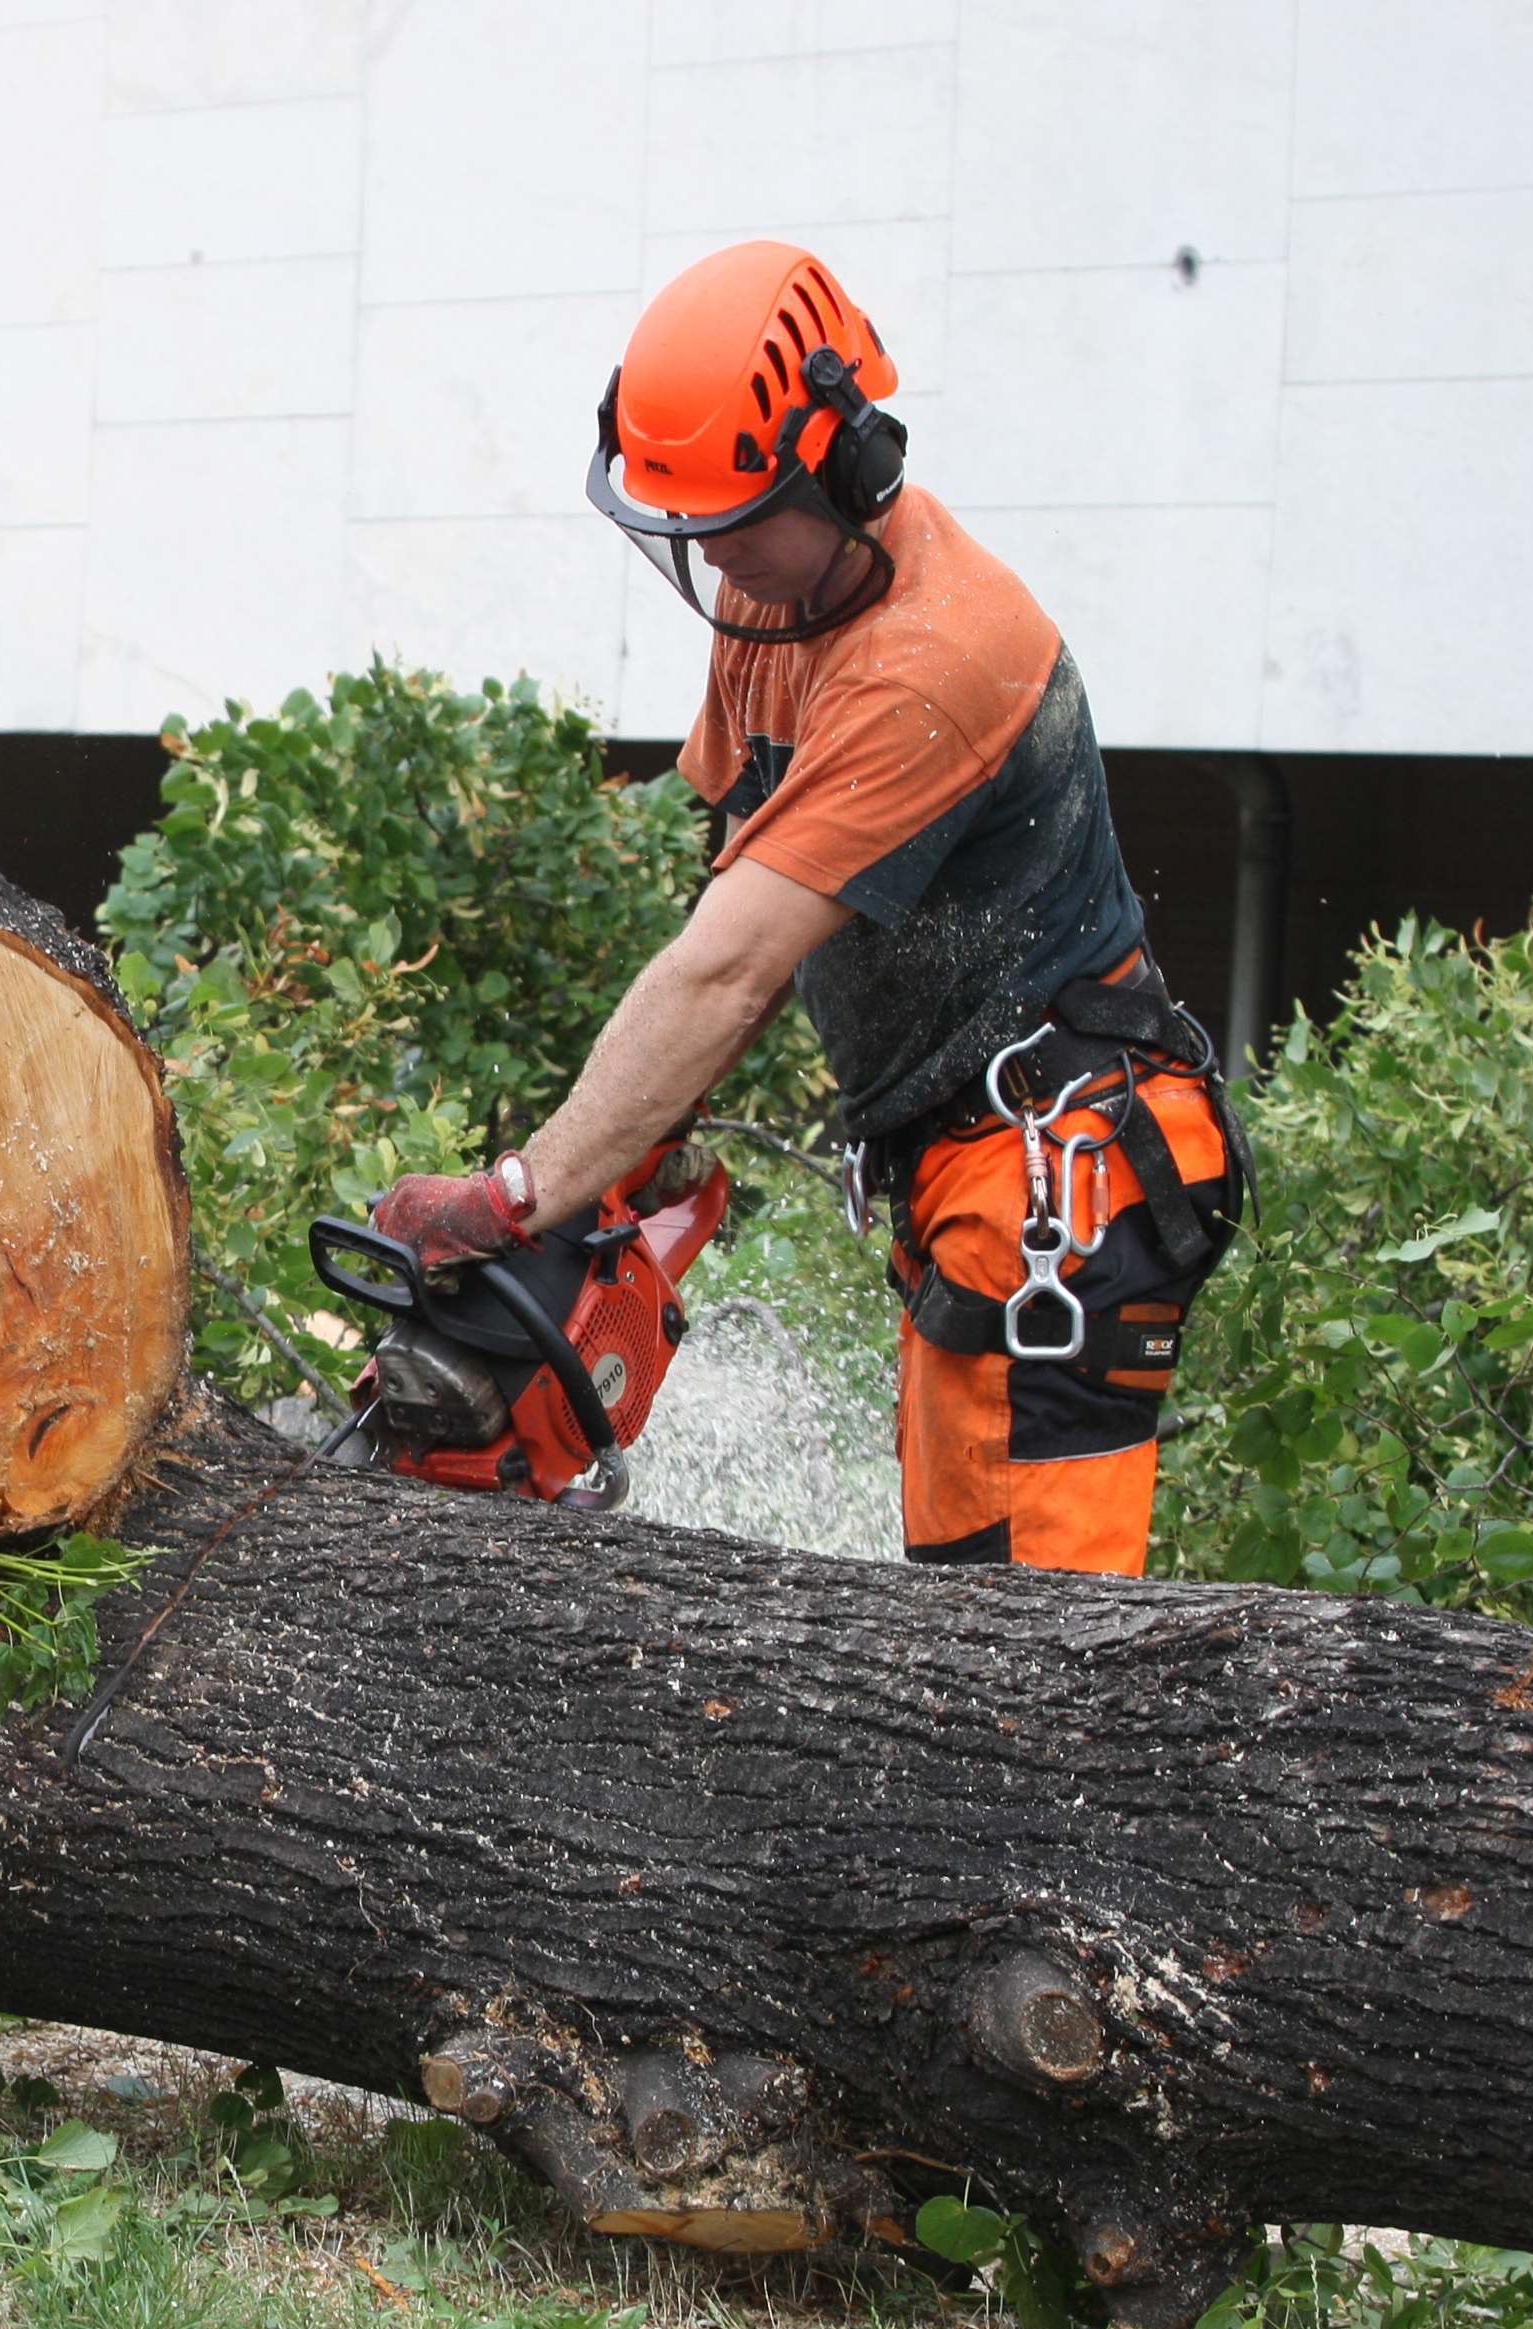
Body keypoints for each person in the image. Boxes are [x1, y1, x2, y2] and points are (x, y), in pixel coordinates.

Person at [365, 241, 1242, 1576]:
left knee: (1034, 1649)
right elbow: (742, 900)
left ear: (846, 466)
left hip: (1063, 1168)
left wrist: (525, 1190)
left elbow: (726, 968)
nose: (706, 550)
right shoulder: (769, 594)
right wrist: (640, 1148)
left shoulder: (935, 659)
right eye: (683, 523)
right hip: (963, 1159)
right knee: (954, 1596)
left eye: (728, 514)